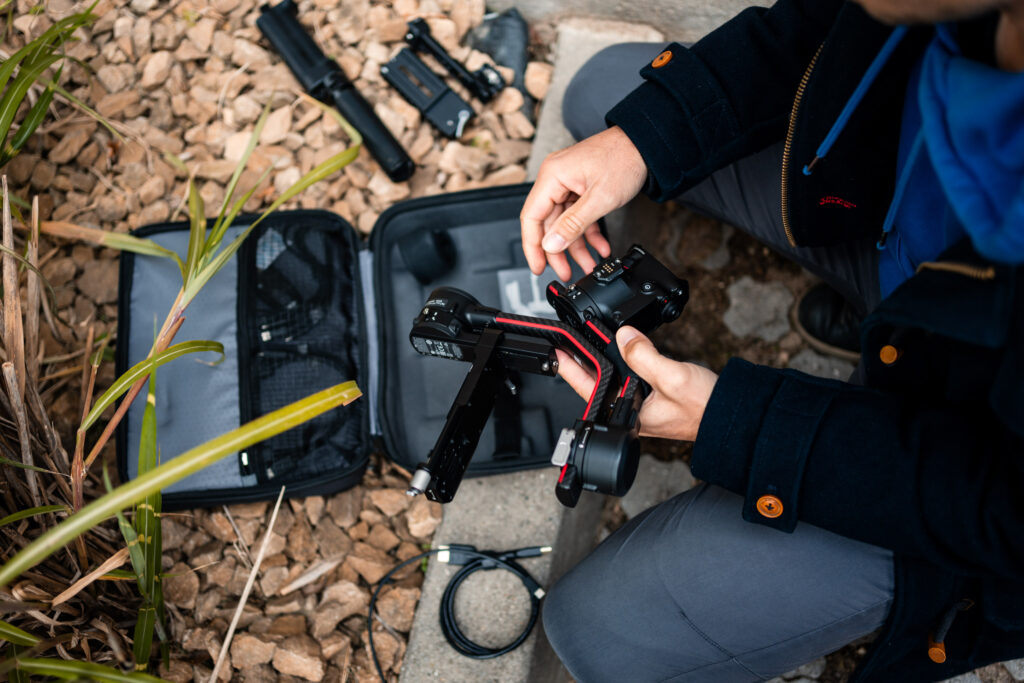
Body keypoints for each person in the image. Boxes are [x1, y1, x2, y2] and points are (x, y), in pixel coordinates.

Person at [519, 0, 1024, 681]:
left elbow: (1004, 510)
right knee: (605, 92)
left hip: (966, 484)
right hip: (901, 251)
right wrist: (642, 140)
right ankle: (895, 325)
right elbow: (823, 25)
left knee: (598, 633)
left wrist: (737, 424)